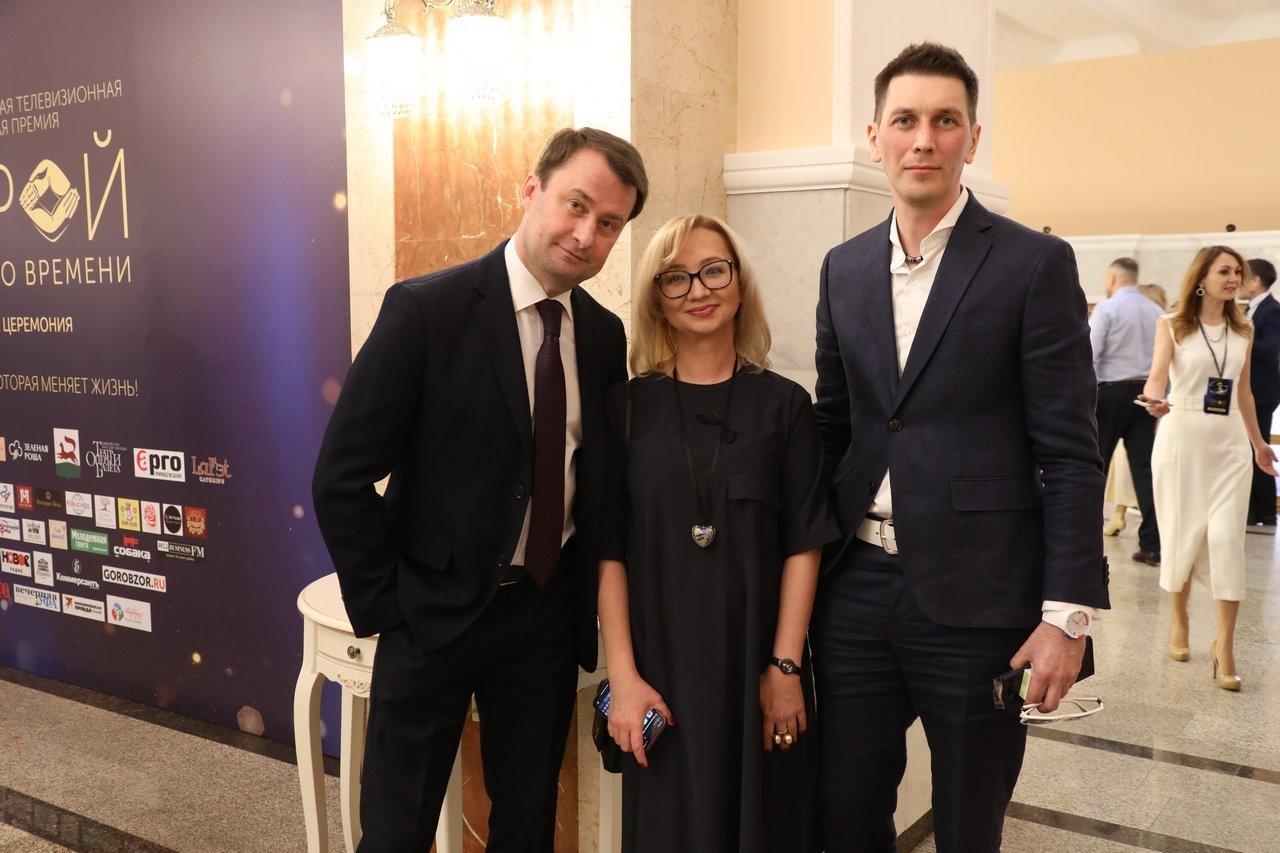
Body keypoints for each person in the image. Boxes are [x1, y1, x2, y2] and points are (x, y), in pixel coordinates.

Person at [311, 127, 647, 851]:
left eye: (609, 223)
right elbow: (340, 476)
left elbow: (596, 485)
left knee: (526, 827)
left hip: (544, 620)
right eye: (576, 205)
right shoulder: (425, 311)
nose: (586, 235)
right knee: (396, 831)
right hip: (431, 615)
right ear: (531, 190)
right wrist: (392, 605)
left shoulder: (603, 335)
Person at [812, 42, 1110, 851]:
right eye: (904, 120)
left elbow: (1069, 451)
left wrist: (1067, 615)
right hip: (855, 588)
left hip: (982, 597)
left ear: (972, 138)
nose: (923, 139)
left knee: (968, 823)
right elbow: (834, 428)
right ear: (874, 136)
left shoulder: (1032, 263)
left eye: (945, 121)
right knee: (842, 812)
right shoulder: (843, 269)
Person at [598, 214, 839, 852]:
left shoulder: (786, 406)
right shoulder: (625, 408)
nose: (698, 290)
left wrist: (785, 667)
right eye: (675, 278)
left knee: (766, 825)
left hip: (757, 664)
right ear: (657, 299)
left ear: (739, 282)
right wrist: (623, 678)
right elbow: (607, 552)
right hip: (660, 670)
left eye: (713, 270)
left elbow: (804, 543)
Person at [1139, 247, 1278, 687]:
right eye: (1225, 271)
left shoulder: (1245, 329)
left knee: (1225, 540)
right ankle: (1179, 619)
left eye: (1239, 272)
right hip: (1181, 439)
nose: (1234, 278)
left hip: (1230, 444)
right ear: (1201, 278)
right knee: (1181, 534)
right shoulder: (1172, 325)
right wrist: (1153, 401)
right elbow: (1156, 378)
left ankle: (1225, 645)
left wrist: (1259, 443)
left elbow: (1245, 391)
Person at [1089, 258, 1164, 562]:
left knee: (1096, 466)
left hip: (1110, 394)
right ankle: (1151, 544)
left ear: (1111, 278)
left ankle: (1086, 538)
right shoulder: (1156, 311)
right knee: (1145, 470)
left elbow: (1090, 353)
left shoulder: (1107, 309)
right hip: (1146, 395)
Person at [1244, 258, 1279, 527]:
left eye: (1242, 274)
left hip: (1261, 392)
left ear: (1256, 280)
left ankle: (1265, 510)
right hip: (1250, 390)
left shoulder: (1272, 310)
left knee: (1259, 447)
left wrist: (1241, 337)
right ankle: (1253, 509)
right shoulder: (1250, 309)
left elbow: (1270, 349)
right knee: (1248, 450)